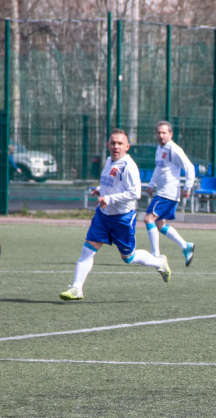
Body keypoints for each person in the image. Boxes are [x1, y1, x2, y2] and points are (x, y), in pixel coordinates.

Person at [59, 128, 171, 301]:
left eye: (120, 143)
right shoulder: (108, 161)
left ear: (127, 146)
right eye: (113, 143)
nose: (116, 146)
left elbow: (135, 194)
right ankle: (76, 288)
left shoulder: (129, 167)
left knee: (129, 257)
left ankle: (159, 263)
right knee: (87, 251)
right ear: (107, 145)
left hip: (122, 219)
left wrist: (110, 198)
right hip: (103, 216)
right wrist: (100, 190)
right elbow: (110, 183)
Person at [144, 121, 196, 266]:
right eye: (159, 133)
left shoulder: (174, 149)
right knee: (160, 224)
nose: (161, 135)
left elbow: (189, 167)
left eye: (164, 132)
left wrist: (187, 187)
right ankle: (186, 246)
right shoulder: (160, 148)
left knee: (149, 219)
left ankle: (155, 256)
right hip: (163, 192)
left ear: (170, 134)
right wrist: (151, 184)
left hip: (167, 192)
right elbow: (158, 168)